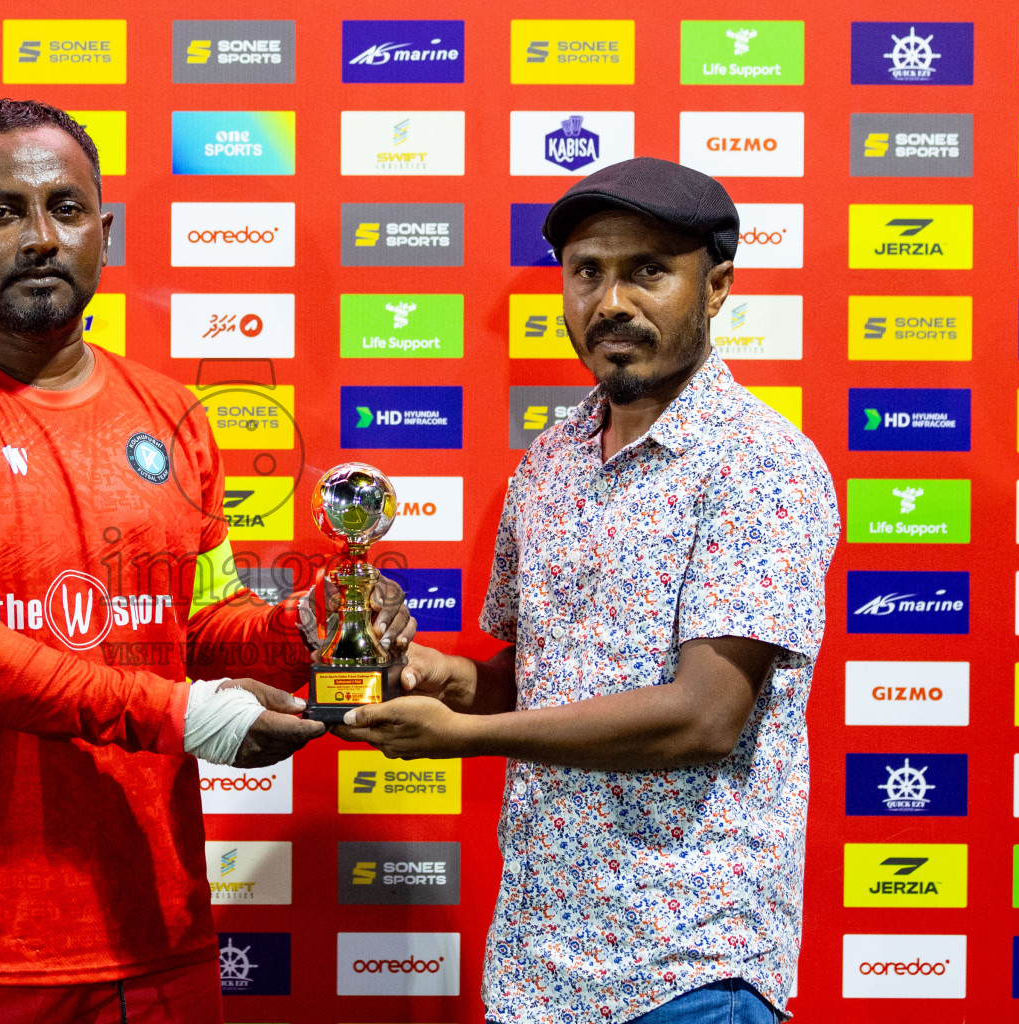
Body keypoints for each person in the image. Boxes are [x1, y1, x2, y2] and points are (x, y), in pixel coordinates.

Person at [0, 99, 414, 1024]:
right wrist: (185, 716)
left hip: (154, 936)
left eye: (65, 209)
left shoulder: (173, 414)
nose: (40, 237)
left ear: (102, 232)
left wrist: (309, 626)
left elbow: (199, 629)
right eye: (1, 211)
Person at [336, 157, 839, 1024]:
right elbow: (531, 679)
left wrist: (469, 736)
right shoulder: (551, 460)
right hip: (536, 963)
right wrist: (429, 674)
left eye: (648, 271)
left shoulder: (763, 465)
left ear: (715, 287)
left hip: (688, 967)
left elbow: (705, 716)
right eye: (587, 273)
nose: (610, 302)